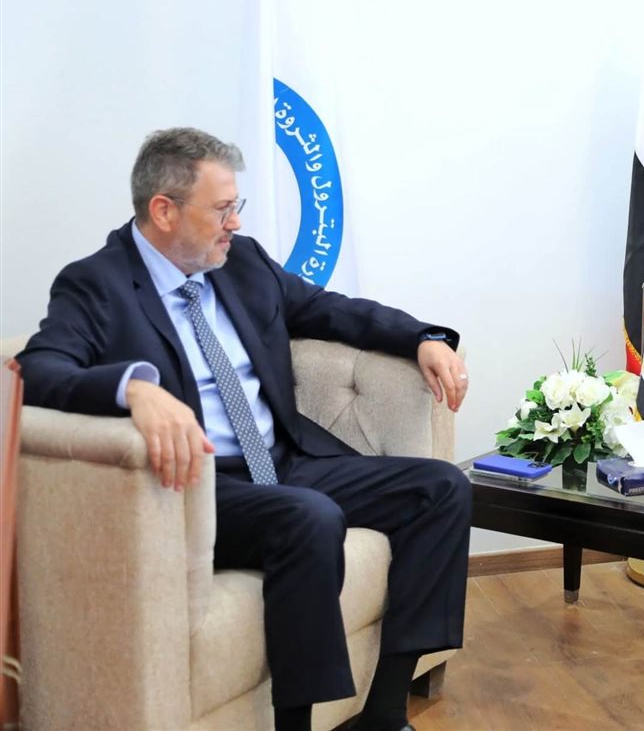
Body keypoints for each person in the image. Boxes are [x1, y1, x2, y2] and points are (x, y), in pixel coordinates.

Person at [17, 128, 473, 731]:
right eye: (222, 209)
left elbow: (332, 310)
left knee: (442, 488)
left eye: (238, 206)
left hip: (284, 461)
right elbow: (39, 371)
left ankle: (384, 713)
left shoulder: (244, 262)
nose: (234, 222)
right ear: (164, 210)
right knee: (309, 516)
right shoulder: (96, 284)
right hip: (203, 486)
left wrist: (422, 338)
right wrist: (134, 388)